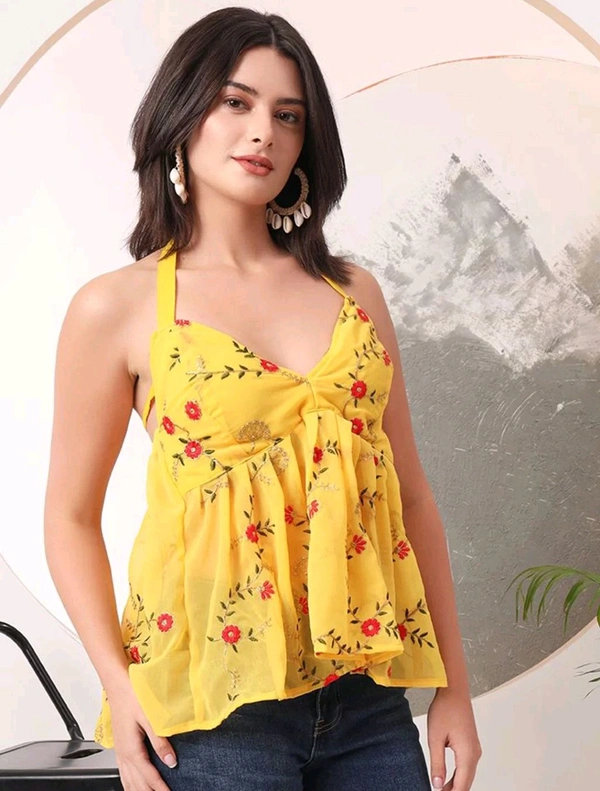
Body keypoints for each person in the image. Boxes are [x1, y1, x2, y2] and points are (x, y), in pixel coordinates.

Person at [44, 6, 482, 791]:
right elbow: (70, 516)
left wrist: (453, 686)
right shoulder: (117, 307)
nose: (263, 133)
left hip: (368, 700)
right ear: (182, 114)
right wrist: (118, 683)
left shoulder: (353, 292)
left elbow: (413, 496)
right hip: (212, 712)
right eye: (235, 102)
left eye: (288, 115)